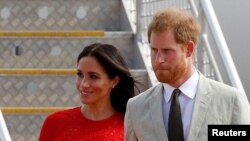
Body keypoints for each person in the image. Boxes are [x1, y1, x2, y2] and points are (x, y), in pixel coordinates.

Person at [124, 8, 250, 141]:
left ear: (189, 49)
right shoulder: (136, 108)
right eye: (154, 50)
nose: (158, 59)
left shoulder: (229, 101)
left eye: (167, 51)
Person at [39, 43, 137, 141]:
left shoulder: (130, 128)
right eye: (80, 74)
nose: (84, 84)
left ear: (114, 81)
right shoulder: (54, 123)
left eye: (93, 76)